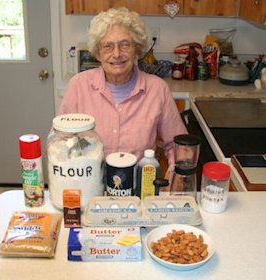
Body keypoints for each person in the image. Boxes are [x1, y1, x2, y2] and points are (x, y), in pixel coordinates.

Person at [58, 7, 187, 176]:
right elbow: (59, 142)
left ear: (137, 49)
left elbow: (177, 145)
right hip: (89, 187)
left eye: (125, 45)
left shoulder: (157, 89)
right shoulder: (78, 86)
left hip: (139, 190)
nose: (117, 54)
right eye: (108, 46)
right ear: (97, 53)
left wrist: (174, 177)